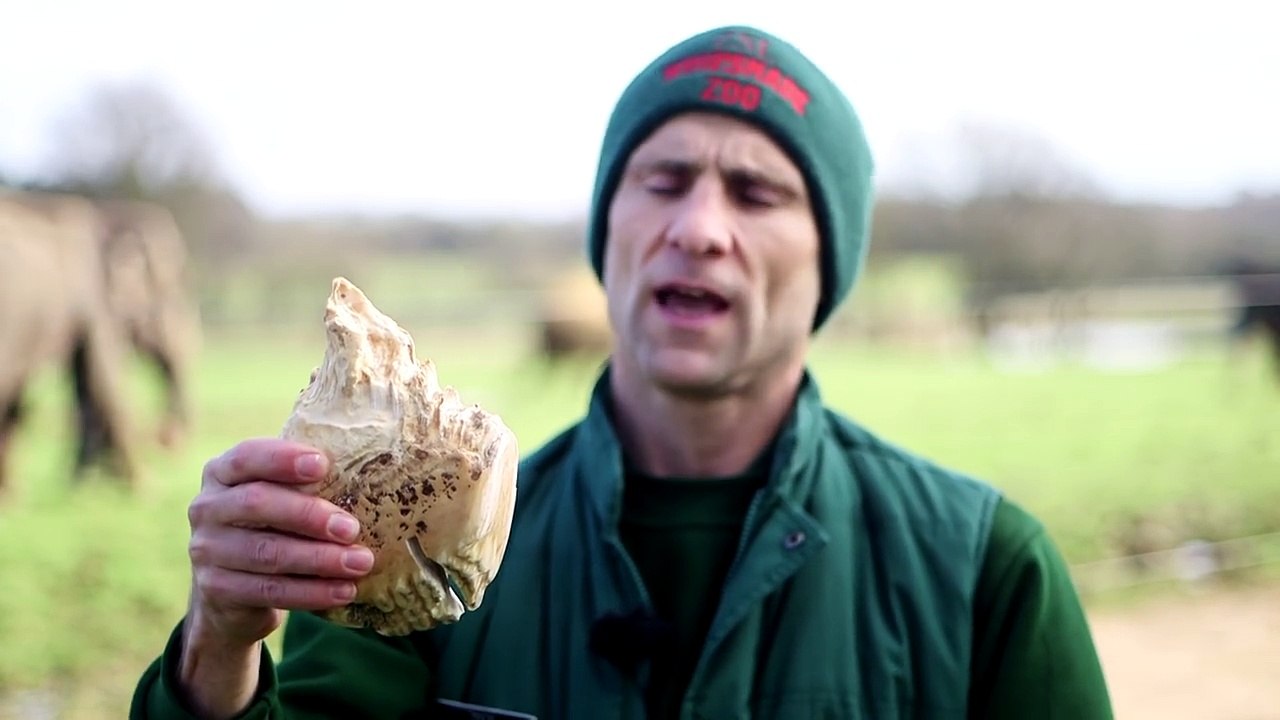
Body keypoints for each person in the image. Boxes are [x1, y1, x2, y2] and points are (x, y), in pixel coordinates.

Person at [130, 24, 1114, 720]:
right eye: (663, 180)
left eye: (757, 191)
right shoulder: (407, 551)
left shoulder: (984, 571)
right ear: (610, 232)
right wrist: (218, 648)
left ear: (832, 258)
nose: (697, 227)